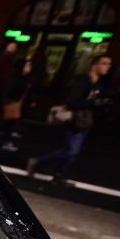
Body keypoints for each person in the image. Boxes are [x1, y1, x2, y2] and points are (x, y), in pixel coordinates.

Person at [26, 55, 113, 183]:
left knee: (71, 151)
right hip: (74, 119)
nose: (108, 67)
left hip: (85, 120)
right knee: (72, 151)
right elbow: (71, 102)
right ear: (95, 65)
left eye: (109, 64)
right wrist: (93, 103)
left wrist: (102, 104)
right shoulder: (82, 81)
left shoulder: (99, 84)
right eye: (104, 63)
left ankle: (58, 174)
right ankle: (38, 162)